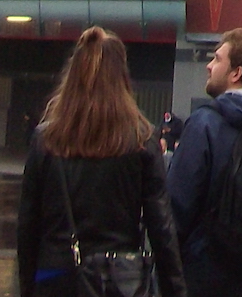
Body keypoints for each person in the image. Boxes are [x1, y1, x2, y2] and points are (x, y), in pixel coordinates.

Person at [15, 26, 185, 297]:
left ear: (73, 75)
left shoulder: (46, 139)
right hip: (119, 278)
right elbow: (162, 229)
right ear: (122, 77)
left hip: (56, 274)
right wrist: (175, 289)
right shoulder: (141, 140)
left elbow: (28, 225)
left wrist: (28, 286)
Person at [166, 27, 242, 297]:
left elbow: (178, 204)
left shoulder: (205, 125)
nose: (209, 66)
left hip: (203, 271)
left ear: (236, 73)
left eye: (217, 59)